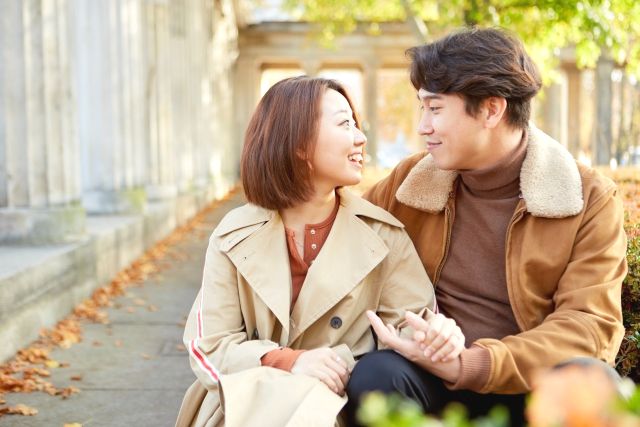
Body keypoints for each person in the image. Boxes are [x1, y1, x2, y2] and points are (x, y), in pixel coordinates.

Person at [345, 27, 628, 427]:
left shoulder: (590, 199)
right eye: (421, 109)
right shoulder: (409, 183)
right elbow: (338, 236)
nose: (422, 126)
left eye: (435, 109)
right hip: (432, 380)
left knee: (592, 381)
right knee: (375, 375)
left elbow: (589, 327)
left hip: (532, 389)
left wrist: (472, 364)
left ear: (492, 110)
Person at [175, 76, 465, 427]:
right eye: (345, 124)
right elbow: (208, 348)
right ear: (298, 142)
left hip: (337, 404)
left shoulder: (382, 234)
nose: (360, 137)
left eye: (357, 125)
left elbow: (411, 325)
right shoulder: (233, 234)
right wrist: (289, 360)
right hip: (245, 403)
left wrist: (437, 335)